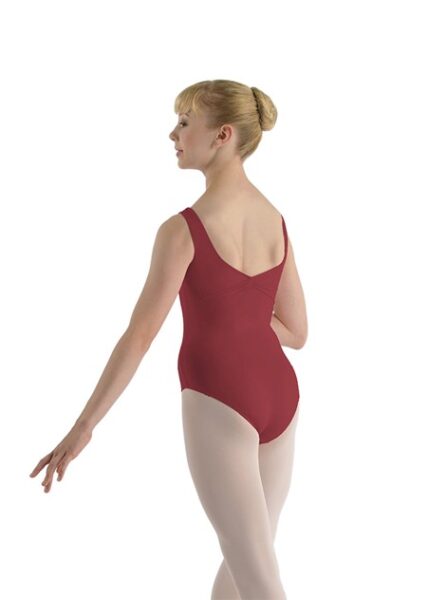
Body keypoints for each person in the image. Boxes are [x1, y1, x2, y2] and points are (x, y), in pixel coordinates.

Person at [29, 79, 308, 599]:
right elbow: (297, 331)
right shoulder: (276, 221)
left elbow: (139, 336)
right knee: (247, 564)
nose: (172, 134)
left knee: (259, 579)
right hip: (280, 398)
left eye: (184, 123)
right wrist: (242, 318)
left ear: (223, 135)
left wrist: (84, 426)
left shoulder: (182, 231)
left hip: (219, 400)